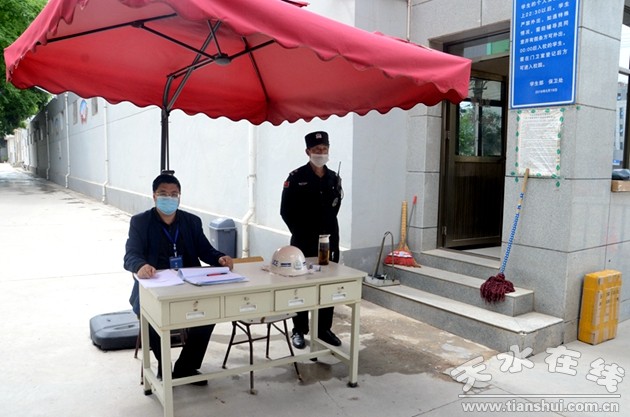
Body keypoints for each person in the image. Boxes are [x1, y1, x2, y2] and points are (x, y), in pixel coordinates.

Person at [124, 173, 233, 385]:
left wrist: (220, 258)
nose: (169, 198)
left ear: (179, 196)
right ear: (154, 196)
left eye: (174, 194)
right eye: (163, 193)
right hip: (154, 286)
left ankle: (186, 367)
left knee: (209, 313)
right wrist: (140, 266)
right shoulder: (140, 222)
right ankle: (164, 367)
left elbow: (205, 250)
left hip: (189, 284)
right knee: (151, 318)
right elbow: (131, 255)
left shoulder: (191, 221)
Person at [280, 131, 343, 349]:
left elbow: (335, 207)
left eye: (324, 149)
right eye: (317, 150)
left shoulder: (333, 178)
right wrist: (302, 233)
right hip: (303, 242)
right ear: (308, 152)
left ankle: (323, 329)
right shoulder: (296, 177)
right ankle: (299, 329)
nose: (321, 153)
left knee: (328, 285)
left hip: (328, 241)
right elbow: (286, 211)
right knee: (301, 286)